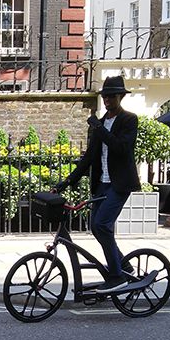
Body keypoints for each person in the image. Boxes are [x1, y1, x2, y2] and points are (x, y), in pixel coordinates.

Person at [55, 75, 140, 291]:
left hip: (119, 184)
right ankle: (122, 265)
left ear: (120, 97)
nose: (107, 100)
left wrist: (99, 129)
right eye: (105, 96)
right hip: (102, 183)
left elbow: (121, 148)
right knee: (95, 227)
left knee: (102, 224)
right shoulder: (100, 124)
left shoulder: (129, 120)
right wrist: (67, 181)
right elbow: (89, 158)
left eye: (111, 96)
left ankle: (117, 276)